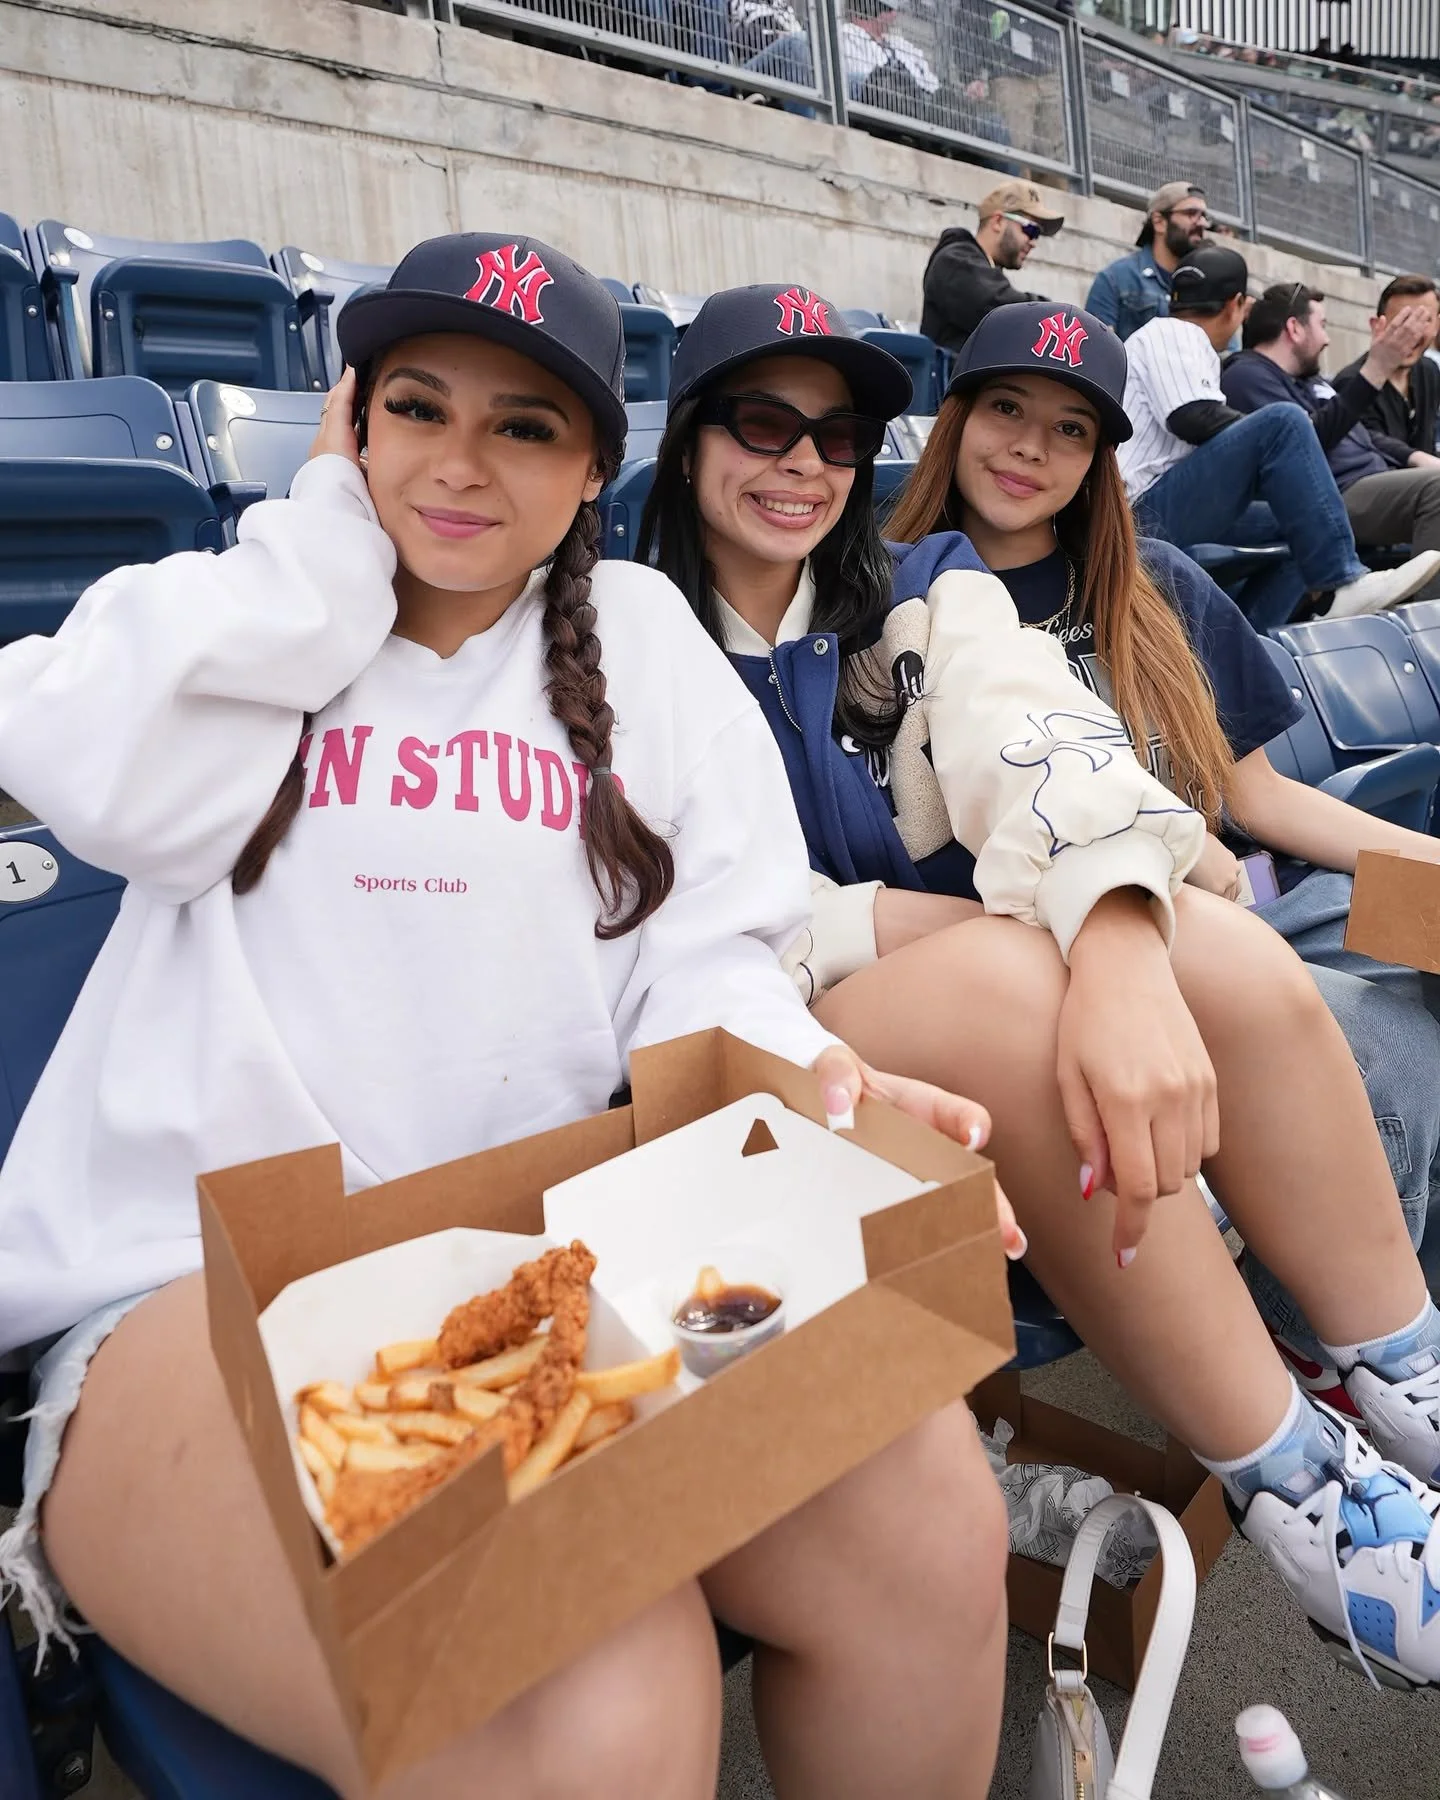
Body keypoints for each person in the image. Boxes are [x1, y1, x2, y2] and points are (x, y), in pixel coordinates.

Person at [0, 234, 1022, 1800]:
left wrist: (817, 1079)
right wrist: (326, 550)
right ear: (354, 421)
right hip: (193, 1293)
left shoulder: (643, 641)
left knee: (930, 1529)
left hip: (547, 1266)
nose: (460, 464)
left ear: (598, 463)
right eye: (418, 408)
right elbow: (72, 756)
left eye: (524, 424)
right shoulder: (239, 611)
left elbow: (708, 957)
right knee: (585, 1676)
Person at [640, 281, 1440, 1692]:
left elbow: (1038, 731)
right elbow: (674, 938)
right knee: (1017, 979)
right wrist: (902, 920)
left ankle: (1405, 1381)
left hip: (933, 988)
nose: (803, 463)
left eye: (835, 438)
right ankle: (1308, 1492)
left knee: (1225, 949)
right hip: (727, 1053)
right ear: (690, 434)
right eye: (763, 422)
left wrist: (1125, 930)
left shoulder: (912, 593)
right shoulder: (617, 636)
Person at [892, 298, 1440, 1408]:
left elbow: (1262, 797)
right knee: (1388, 1056)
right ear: (953, 419)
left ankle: (1395, 1338)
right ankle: (1326, 1345)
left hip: (1232, 919)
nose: (1029, 450)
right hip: (1057, 966)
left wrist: (1424, 868)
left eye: (1069, 430)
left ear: (1100, 457)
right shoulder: (884, 597)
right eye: (1005, 409)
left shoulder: (1155, 592)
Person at [1120, 243, 1440, 629]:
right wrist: (1274, 438)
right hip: (1136, 512)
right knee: (1286, 422)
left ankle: (1252, 643)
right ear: (1237, 305)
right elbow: (1191, 417)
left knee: (1302, 523)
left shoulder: (1182, 339)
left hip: (1163, 502)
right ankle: (1343, 581)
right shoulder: (1174, 332)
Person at [1222, 282, 1440, 600]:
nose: (1327, 339)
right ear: (1295, 328)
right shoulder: (1246, 376)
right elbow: (1302, 443)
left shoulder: (1311, 381)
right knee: (1437, 490)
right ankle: (1430, 625)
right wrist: (1377, 369)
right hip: (1334, 494)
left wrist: (1413, 457)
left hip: (1374, 481)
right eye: (1322, 326)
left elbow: (1364, 435)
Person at [919, 178, 1061, 356]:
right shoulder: (954, 262)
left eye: (1037, 235)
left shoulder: (983, 267)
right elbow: (1004, 312)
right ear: (998, 221)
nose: (1033, 242)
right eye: (1031, 230)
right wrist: (1057, 315)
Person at [1085, 180, 1210, 342]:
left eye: (1203, 216)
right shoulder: (1115, 279)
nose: (1201, 223)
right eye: (1191, 213)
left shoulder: (1207, 282)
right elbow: (1097, 347)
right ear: (1159, 222)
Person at [1340, 275, 1440, 461]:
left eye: (1424, 320)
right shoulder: (1352, 384)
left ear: (1437, 325)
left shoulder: (1429, 372)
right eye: (1403, 320)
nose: (1412, 331)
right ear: (1377, 324)